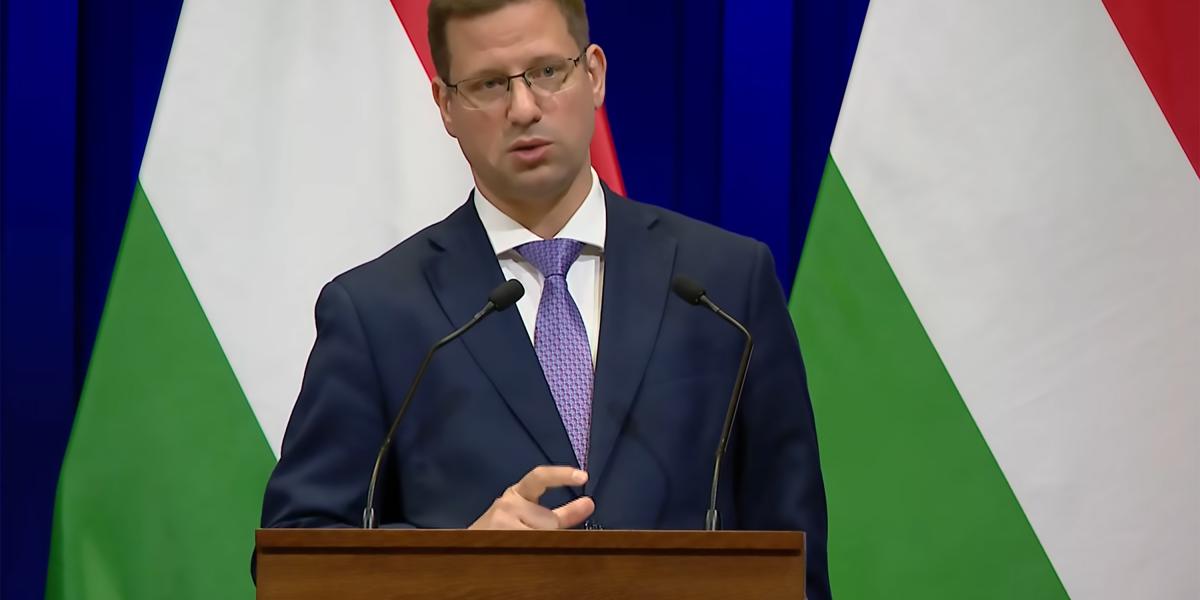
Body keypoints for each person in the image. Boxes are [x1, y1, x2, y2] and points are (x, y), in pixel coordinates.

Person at [259, 0, 830, 597]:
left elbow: (798, 557)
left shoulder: (722, 286)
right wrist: (455, 562)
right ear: (445, 105)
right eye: (487, 84)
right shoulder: (376, 311)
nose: (523, 108)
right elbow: (295, 560)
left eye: (547, 72)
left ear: (594, 74)